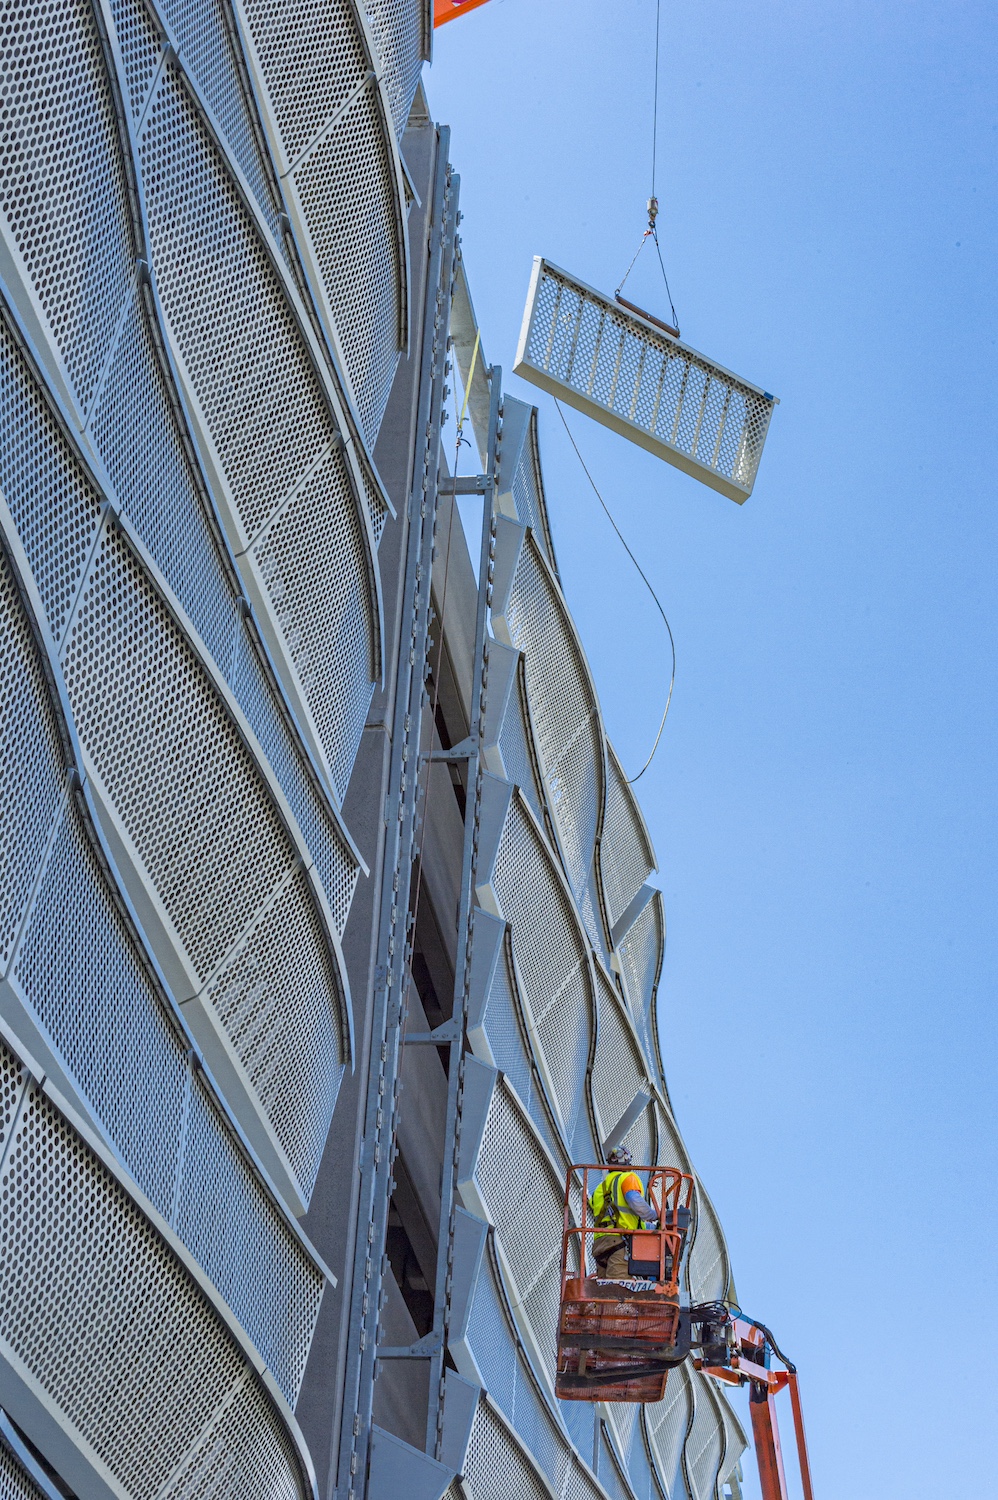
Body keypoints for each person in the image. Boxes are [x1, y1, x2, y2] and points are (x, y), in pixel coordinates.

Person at [589, 1146, 659, 1279]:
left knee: (603, 1292)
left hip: (600, 1244)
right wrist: (655, 1215)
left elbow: (594, 1207)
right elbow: (634, 1200)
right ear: (628, 1161)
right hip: (620, 1241)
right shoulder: (628, 1177)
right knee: (618, 1291)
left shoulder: (601, 1187)